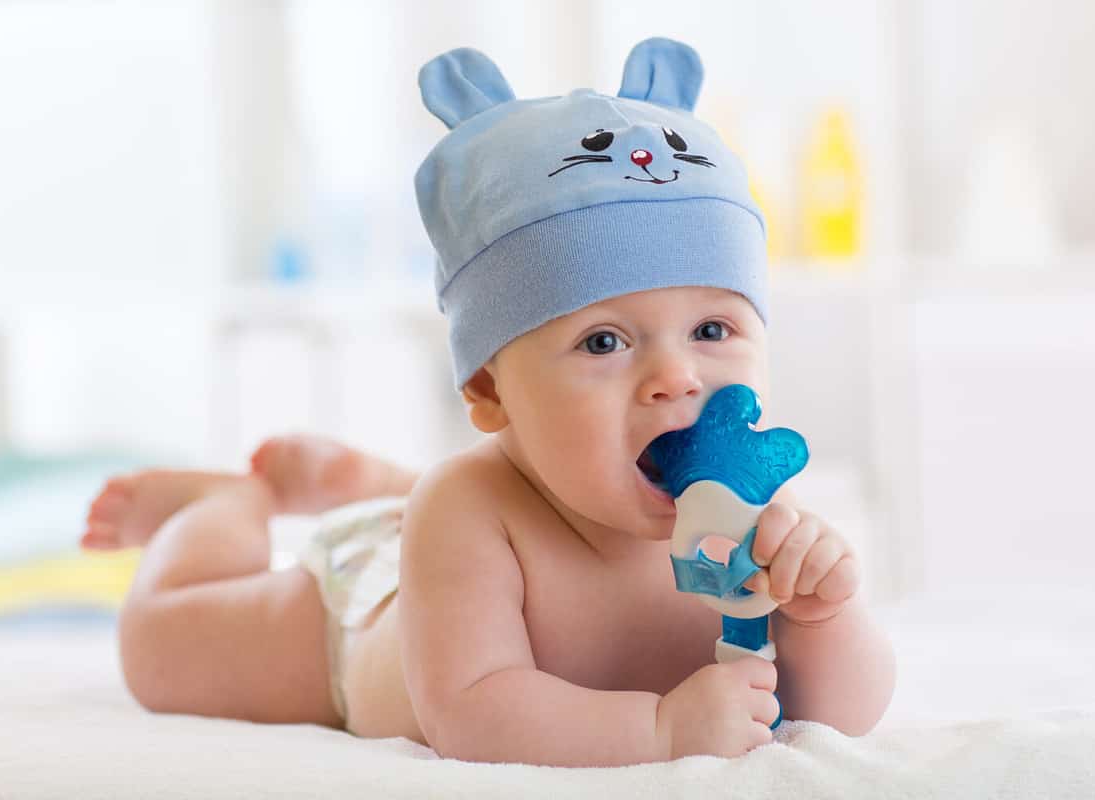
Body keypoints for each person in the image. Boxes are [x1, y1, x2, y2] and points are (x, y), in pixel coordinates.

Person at [83, 37, 895, 766]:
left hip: (442, 534)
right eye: (605, 342)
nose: (677, 378)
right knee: (162, 650)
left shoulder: (753, 514)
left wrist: (824, 617)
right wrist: (659, 733)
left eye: (713, 328)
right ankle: (223, 507)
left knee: (456, 505)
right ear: (488, 391)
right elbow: (472, 715)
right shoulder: (470, 510)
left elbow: (839, 718)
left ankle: (375, 484)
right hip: (366, 607)